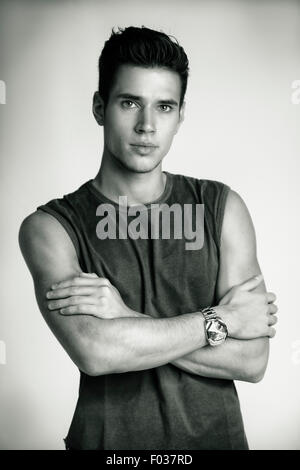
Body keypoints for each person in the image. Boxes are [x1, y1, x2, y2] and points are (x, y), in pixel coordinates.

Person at [19, 26, 278, 450]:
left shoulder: (222, 208)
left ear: (180, 116)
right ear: (100, 107)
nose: (146, 125)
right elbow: (97, 352)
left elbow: (252, 360)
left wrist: (125, 317)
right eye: (129, 103)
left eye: (164, 107)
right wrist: (224, 321)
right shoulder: (51, 227)